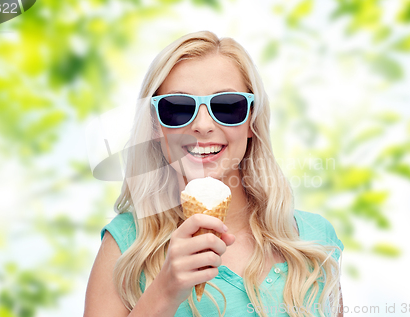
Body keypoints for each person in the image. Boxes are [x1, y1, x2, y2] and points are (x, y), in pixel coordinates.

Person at [84, 31, 344, 317]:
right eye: (177, 109)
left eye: (227, 106)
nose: (203, 125)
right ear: (155, 127)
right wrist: (165, 292)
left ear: (251, 121)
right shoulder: (126, 245)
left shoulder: (314, 240)